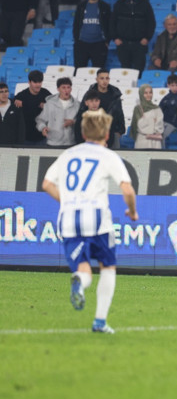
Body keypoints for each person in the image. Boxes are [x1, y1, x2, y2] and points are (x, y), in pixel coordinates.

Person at [41, 109, 137, 334]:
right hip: (97, 220)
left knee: (84, 269)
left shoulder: (68, 154)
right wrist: (132, 212)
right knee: (108, 266)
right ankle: (100, 322)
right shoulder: (108, 156)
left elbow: (46, 184)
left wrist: (67, 201)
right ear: (106, 134)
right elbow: (127, 189)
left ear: (83, 133)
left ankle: (79, 281)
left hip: (68, 220)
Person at [110, 0, 156, 73]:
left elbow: (151, 23)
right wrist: (115, 38)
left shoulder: (145, 4)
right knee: (125, 71)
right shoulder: (119, 4)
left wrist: (147, 38)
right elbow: (112, 23)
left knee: (139, 70)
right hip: (123, 44)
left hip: (139, 44)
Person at [73, 0, 111, 69]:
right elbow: (76, 24)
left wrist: (107, 41)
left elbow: (109, 25)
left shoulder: (105, 6)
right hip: (81, 44)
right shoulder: (81, 6)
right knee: (79, 72)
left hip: (99, 44)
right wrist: (77, 40)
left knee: (98, 72)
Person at [84, 69, 125, 149]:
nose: (105, 81)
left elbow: (119, 112)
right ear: (97, 80)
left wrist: (120, 130)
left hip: (113, 133)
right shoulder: (90, 94)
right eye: (102, 78)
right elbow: (83, 111)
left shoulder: (115, 93)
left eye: (107, 78)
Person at [36, 77, 79, 147]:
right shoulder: (50, 104)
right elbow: (40, 120)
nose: (66, 90)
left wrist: (73, 122)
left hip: (71, 143)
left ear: (71, 89)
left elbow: (83, 122)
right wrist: (43, 128)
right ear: (58, 89)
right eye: (63, 88)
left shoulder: (77, 105)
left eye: (68, 87)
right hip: (53, 143)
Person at [13, 70, 51, 145]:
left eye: (40, 82)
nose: (38, 85)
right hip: (26, 137)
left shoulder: (46, 94)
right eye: (35, 82)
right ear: (29, 82)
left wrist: (24, 104)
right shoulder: (21, 96)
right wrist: (38, 104)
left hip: (42, 137)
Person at [130, 84, 163, 149]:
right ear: (141, 94)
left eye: (150, 92)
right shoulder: (138, 109)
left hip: (155, 141)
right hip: (142, 140)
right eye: (145, 93)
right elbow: (140, 126)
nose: (148, 95)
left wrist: (147, 122)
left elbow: (159, 127)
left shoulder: (157, 108)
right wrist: (152, 121)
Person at [159, 73, 177, 145]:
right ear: (168, 85)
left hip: (176, 123)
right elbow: (159, 109)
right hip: (164, 122)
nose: (175, 88)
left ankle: (161, 153)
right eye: (172, 85)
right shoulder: (166, 97)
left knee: (160, 137)